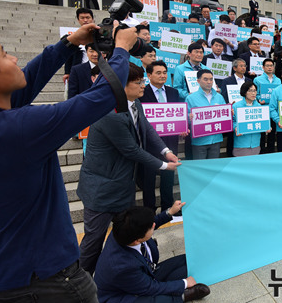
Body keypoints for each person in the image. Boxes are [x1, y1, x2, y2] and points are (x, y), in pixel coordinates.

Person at [0, 22, 139, 303]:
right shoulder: (17, 129)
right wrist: (122, 49)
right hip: (47, 281)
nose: (14, 58)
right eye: (3, 55)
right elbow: (99, 98)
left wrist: (68, 43)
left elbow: (29, 79)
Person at [77, 63, 181, 275]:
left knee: (128, 231)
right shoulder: (109, 113)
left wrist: (166, 151)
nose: (143, 85)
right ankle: (81, 280)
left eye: (143, 80)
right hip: (102, 188)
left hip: (124, 185)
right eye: (138, 82)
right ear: (120, 86)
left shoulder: (135, 103)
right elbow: (131, 150)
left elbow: (147, 129)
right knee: (94, 239)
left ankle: (124, 272)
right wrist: (163, 165)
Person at [94, 205, 210, 303]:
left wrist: (170, 212)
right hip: (120, 298)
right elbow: (150, 288)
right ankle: (183, 296)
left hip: (144, 274)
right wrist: (184, 283)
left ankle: (173, 289)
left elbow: (149, 223)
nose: (154, 224)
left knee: (187, 261)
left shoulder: (125, 229)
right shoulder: (122, 265)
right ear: (137, 240)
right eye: (151, 227)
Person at [139, 61, 181, 211]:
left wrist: (182, 126)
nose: (162, 75)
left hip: (170, 140)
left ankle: (167, 208)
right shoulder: (142, 93)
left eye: (164, 72)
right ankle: (149, 210)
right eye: (158, 73)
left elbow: (177, 114)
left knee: (168, 177)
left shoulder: (173, 92)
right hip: (149, 142)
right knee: (148, 179)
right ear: (149, 75)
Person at [186, 69, 227, 159]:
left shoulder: (219, 97)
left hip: (216, 139)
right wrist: (188, 118)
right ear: (198, 81)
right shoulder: (191, 98)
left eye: (211, 79)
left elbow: (225, 116)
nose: (209, 82)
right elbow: (185, 119)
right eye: (205, 79)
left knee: (213, 166)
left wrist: (229, 113)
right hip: (199, 140)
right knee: (200, 166)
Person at [232, 82, 271, 156]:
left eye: (255, 91)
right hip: (241, 144)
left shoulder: (259, 106)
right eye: (250, 91)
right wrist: (236, 128)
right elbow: (232, 121)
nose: (253, 93)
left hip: (256, 144)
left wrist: (267, 127)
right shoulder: (236, 106)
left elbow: (263, 122)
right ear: (244, 92)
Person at [254, 58, 281, 153]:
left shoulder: (278, 80)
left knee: (272, 132)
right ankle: (261, 151)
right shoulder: (257, 80)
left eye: (271, 66)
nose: (270, 67)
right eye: (267, 66)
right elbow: (255, 94)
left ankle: (271, 150)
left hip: (274, 109)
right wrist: (259, 99)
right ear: (263, 67)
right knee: (262, 131)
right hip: (263, 109)